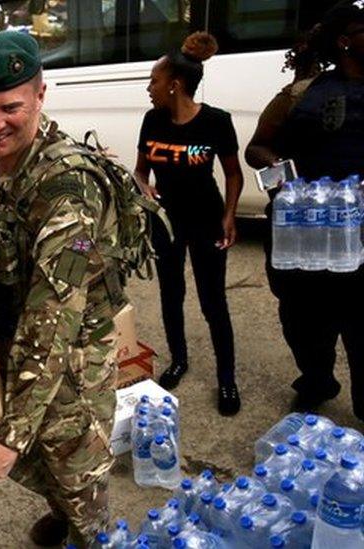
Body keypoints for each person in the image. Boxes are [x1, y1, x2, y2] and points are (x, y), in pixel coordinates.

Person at [0, 31, 128, 547]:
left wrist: (10, 438)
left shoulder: (70, 190)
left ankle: (89, 530)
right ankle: (65, 510)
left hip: (70, 358)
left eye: (10, 108)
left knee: (76, 467)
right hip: (15, 339)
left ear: (41, 96)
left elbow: (54, 317)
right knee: (39, 465)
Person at [245, 0, 364, 420]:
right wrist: (289, 182)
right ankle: (316, 380)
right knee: (304, 320)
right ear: (346, 41)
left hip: (360, 240)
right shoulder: (300, 94)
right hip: (307, 233)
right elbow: (256, 148)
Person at [133, 32, 243, 415]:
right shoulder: (152, 120)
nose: (149, 88)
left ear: (175, 85)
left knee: (214, 302)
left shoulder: (216, 122)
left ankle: (227, 380)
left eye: (154, 81)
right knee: (171, 294)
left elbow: (232, 174)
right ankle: (179, 360)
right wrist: (142, 188)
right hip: (167, 222)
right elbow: (140, 171)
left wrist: (229, 215)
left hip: (207, 220)